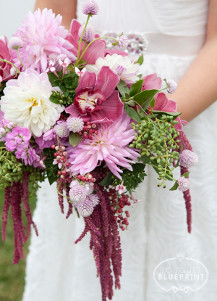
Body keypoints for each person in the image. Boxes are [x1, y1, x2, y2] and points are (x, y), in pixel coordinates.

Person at [23, 1, 217, 301]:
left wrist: (154, 126)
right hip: (84, 101)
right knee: (82, 253)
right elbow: (54, 17)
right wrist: (69, 102)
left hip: (186, 97)